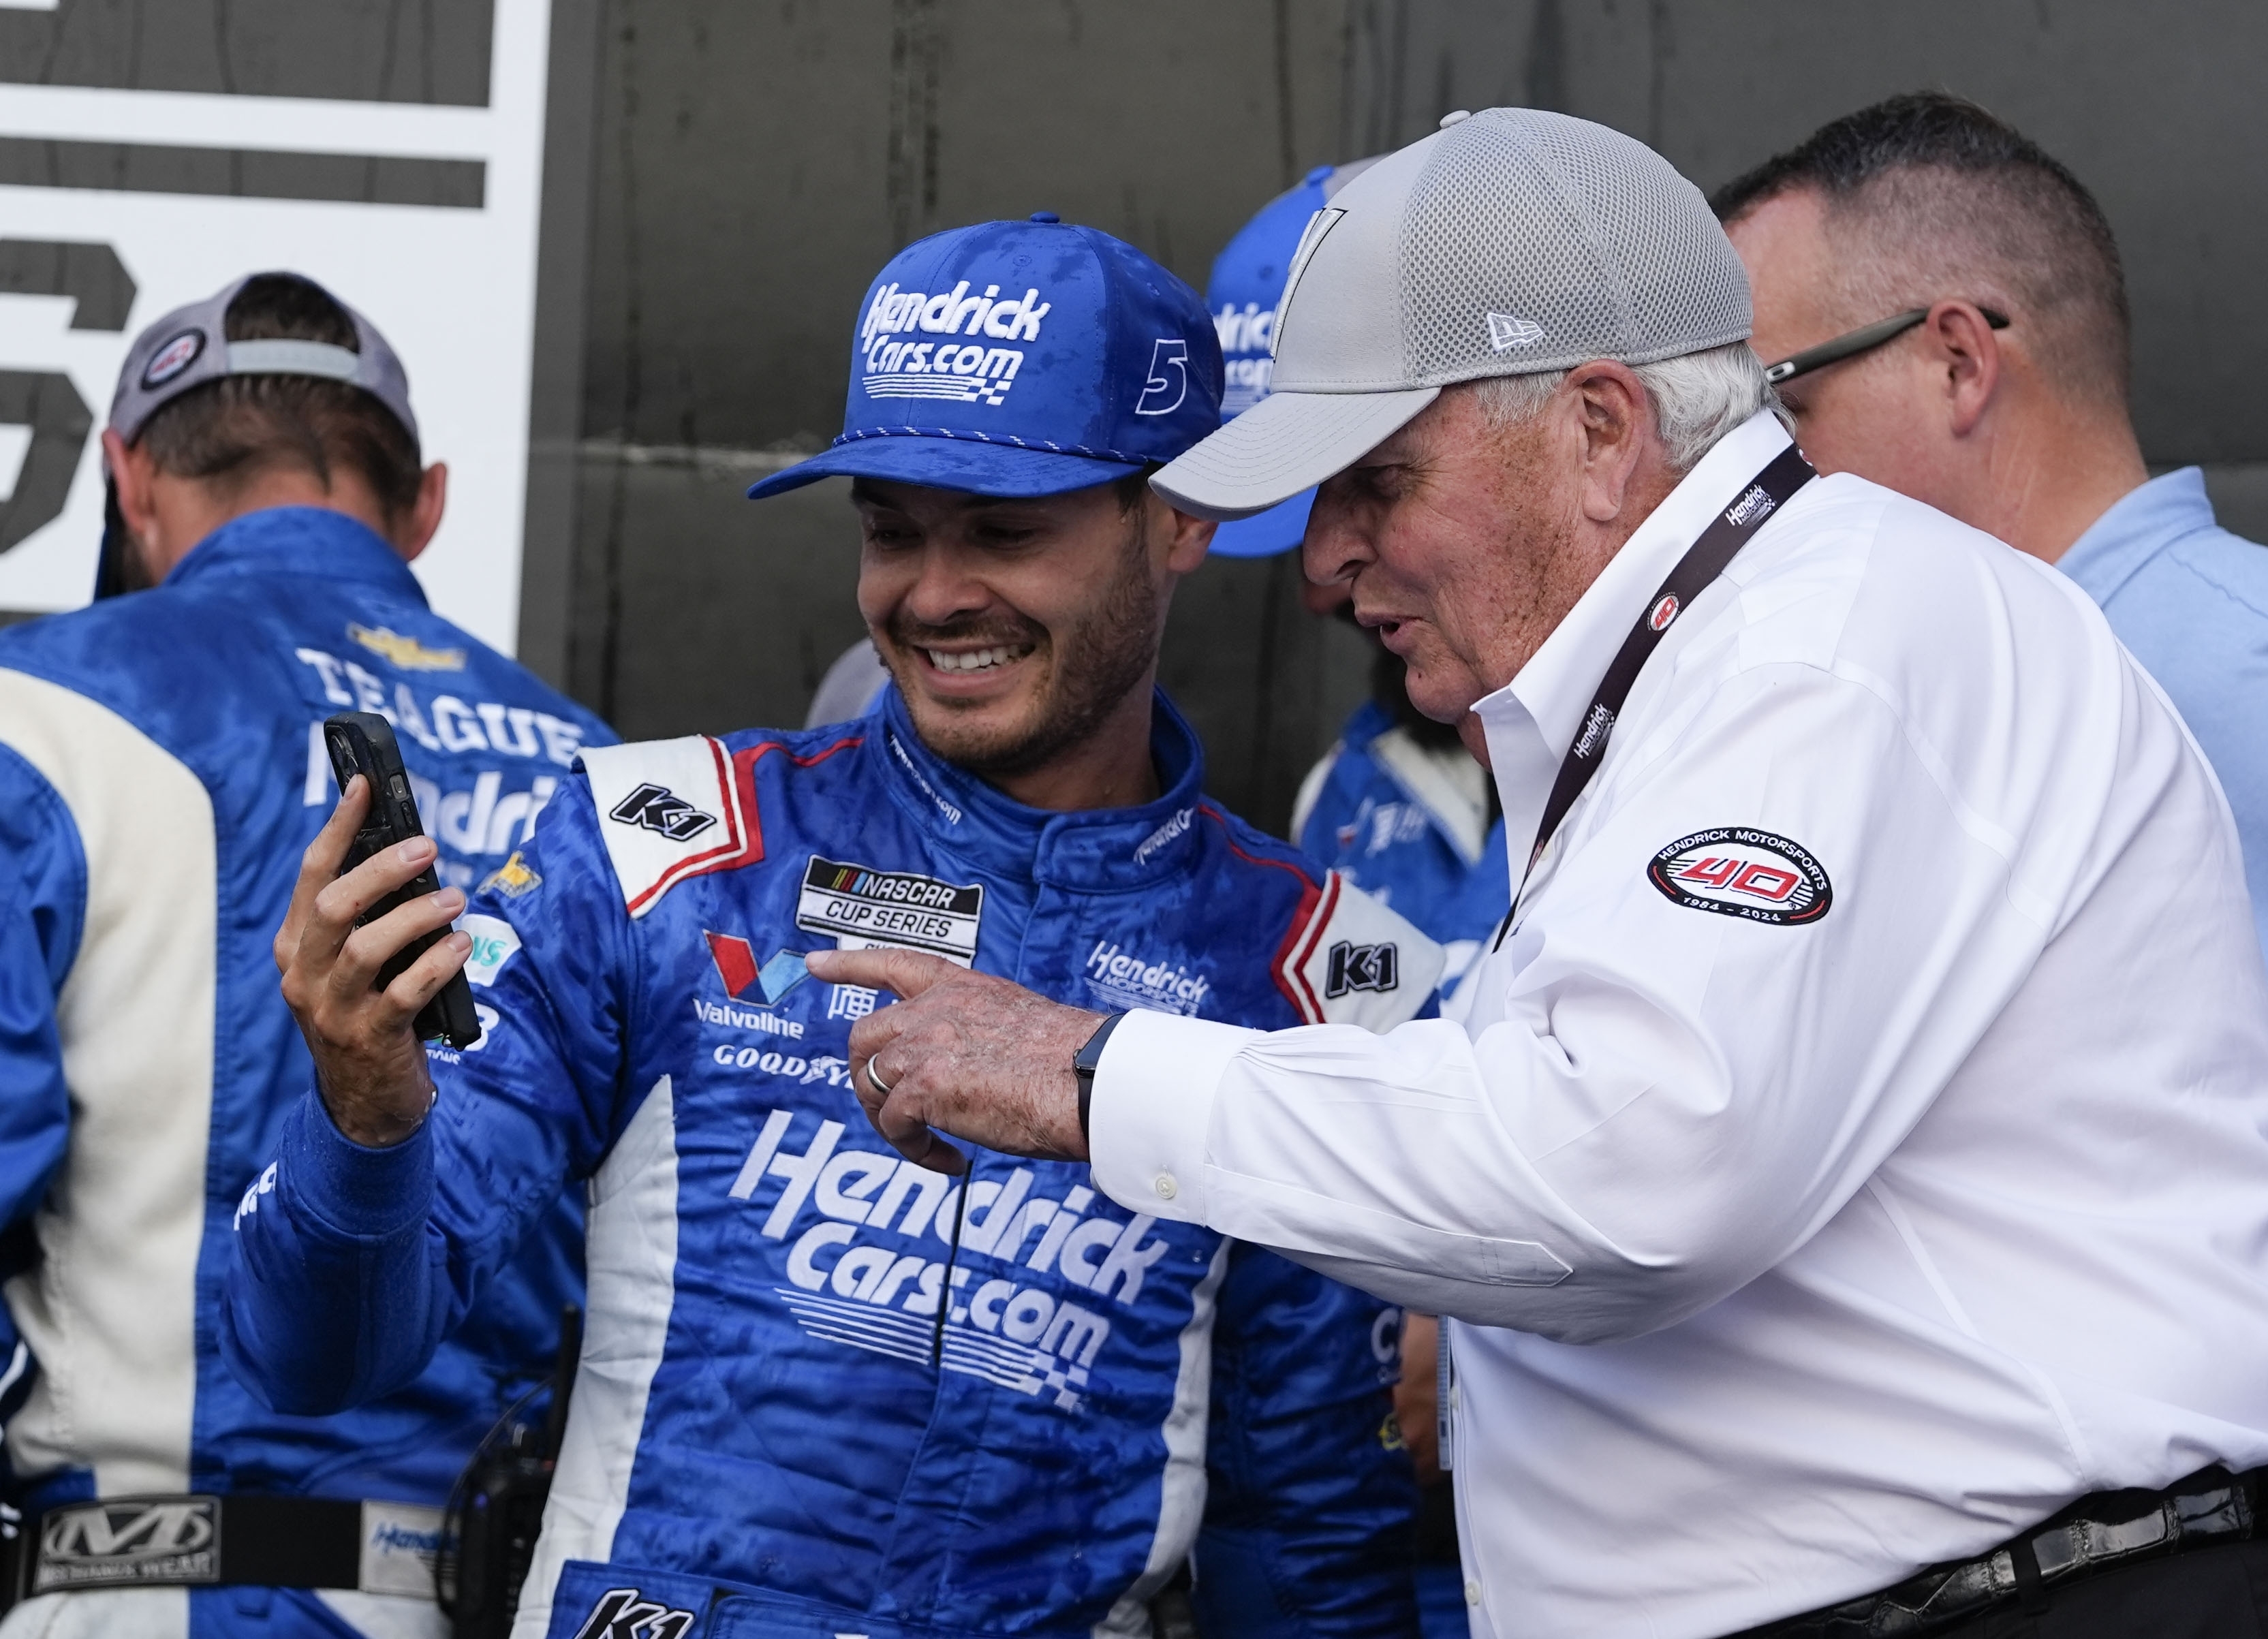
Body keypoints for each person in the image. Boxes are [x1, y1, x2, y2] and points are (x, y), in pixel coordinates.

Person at [796, 108, 2268, 1637]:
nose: (1322, 563)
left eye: (1375, 481)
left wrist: (1091, 1073)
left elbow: (1628, 1170)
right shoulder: (1715, 666)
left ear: (1599, 431)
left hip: (2082, 1600)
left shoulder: (1818, 642)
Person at [227, 216, 1437, 1638]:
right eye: (889, 529)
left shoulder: (1315, 975)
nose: (933, 594)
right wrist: (365, 1115)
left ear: (1180, 516)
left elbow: (1308, 1550)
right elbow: (316, 1355)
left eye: (1004, 530)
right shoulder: (661, 851)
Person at [1709, 91, 2268, 1520]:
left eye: (1779, 408)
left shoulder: (2226, 674)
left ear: (1955, 362)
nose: (1740, 488)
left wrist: (2185, 1478)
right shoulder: (2020, 684)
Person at [0, 272, 610, 1637]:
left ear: (128, 479)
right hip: (498, 1596)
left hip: (137, 1583)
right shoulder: (608, 780)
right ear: (427, 504)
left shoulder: (35, 716)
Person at [1210, 161, 1495, 1639]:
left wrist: (1475, 1292)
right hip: (1379, 1525)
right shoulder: (1346, 788)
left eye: (1366, 482)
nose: (1320, 572)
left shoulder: (1743, 732)